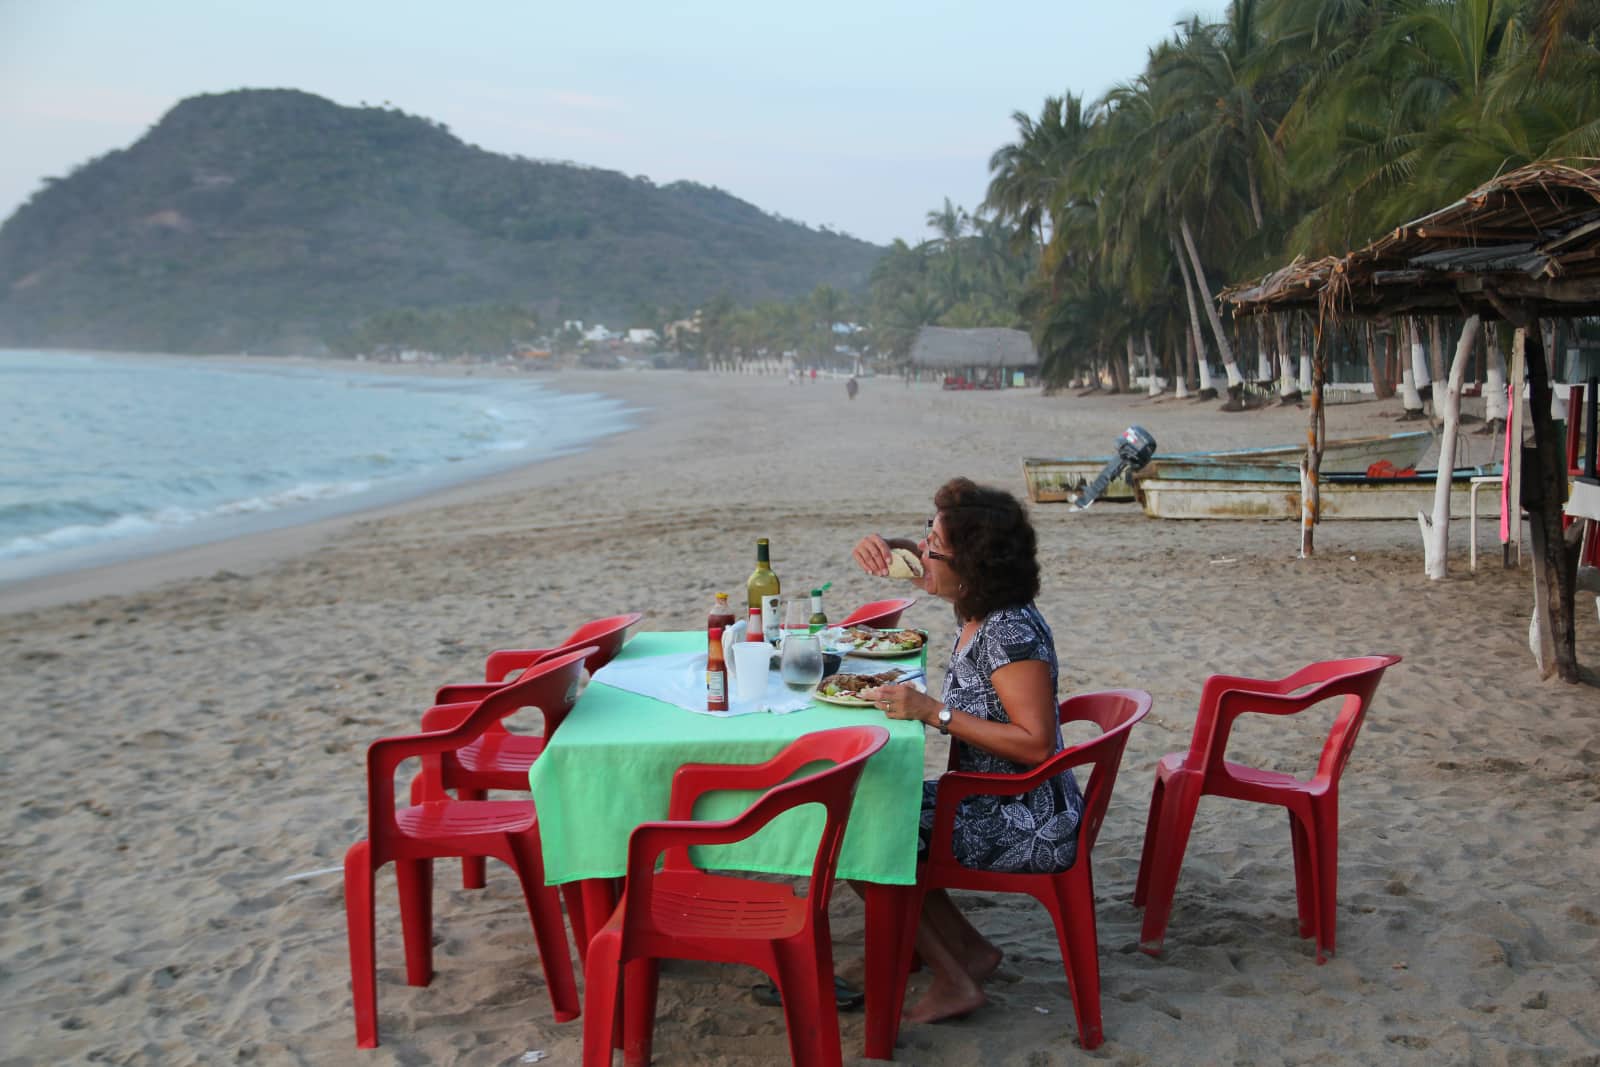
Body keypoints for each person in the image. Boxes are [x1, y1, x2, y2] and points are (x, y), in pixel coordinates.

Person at [852, 477, 1080, 1023]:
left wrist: (934, 713)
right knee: (876, 806)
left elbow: (1037, 743)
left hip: (1027, 813)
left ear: (973, 564)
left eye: (933, 546)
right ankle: (962, 950)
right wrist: (889, 545)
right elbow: (924, 552)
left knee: (860, 830)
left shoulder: (1009, 633)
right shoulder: (978, 605)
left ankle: (953, 979)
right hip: (986, 796)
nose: (922, 550)